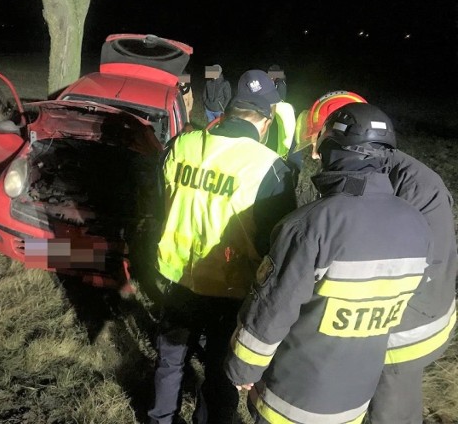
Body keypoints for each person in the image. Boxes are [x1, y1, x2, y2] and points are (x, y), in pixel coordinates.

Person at [224, 103, 434, 424]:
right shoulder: (417, 224)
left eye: (322, 148)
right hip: (356, 399)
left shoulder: (310, 225)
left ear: (336, 150)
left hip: (292, 398)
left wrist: (243, 368)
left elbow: (272, 309)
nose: (317, 157)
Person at [294, 91, 458, 424]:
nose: (315, 152)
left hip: (406, 328)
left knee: (390, 408)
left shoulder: (410, 186)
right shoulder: (375, 167)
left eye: (319, 141)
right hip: (392, 316)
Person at [148, 73, 297, 424]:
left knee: (170, 358)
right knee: (220, 370)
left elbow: (160, 204)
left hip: (177, 275)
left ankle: (159, 419)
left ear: (229, 110)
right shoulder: (270, 168)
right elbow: (277, 241)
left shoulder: (181, 146)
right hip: (232, 289)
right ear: (265, 120)